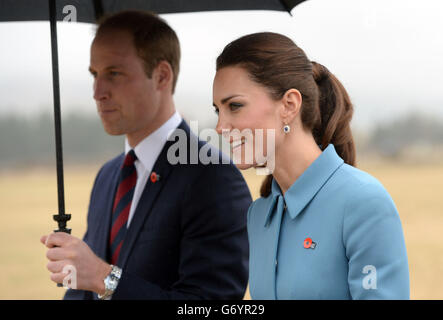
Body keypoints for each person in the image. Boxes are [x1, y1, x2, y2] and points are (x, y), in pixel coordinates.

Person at [40, 10, 252, 300]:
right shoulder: (108, 175)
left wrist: (106, 279)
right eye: (95, 74)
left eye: (114, 73)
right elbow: (84, 291)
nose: (98, 92)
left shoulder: (212, 176)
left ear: (162, 76)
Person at [212, 32, 410, 299]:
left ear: (289, 105)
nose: (220, 127)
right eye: (217, 110)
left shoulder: (363, 202)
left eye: (234, 106)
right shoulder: (259, 215)